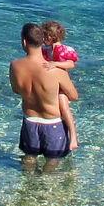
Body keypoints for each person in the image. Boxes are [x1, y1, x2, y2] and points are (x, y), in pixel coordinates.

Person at [9, 22, 78, 170]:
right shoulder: (56, 71)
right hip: (53, 124)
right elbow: (73, 96)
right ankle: (44, 189)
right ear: (43, 41)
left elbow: (16, 90)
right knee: (52, 162)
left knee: (29, 160)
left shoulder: (15, 65)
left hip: (29, 122)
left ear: (24, 41)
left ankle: (28, 189)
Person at [37, 19, 80, 154]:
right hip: (51, 84)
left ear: (50, 37)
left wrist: (55, 64)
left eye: (44, 37)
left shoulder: (64, 50)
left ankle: (73, 136)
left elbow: (71, 64)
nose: (43, 40)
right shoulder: (45, 50)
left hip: (62, 85)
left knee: (63, 103)